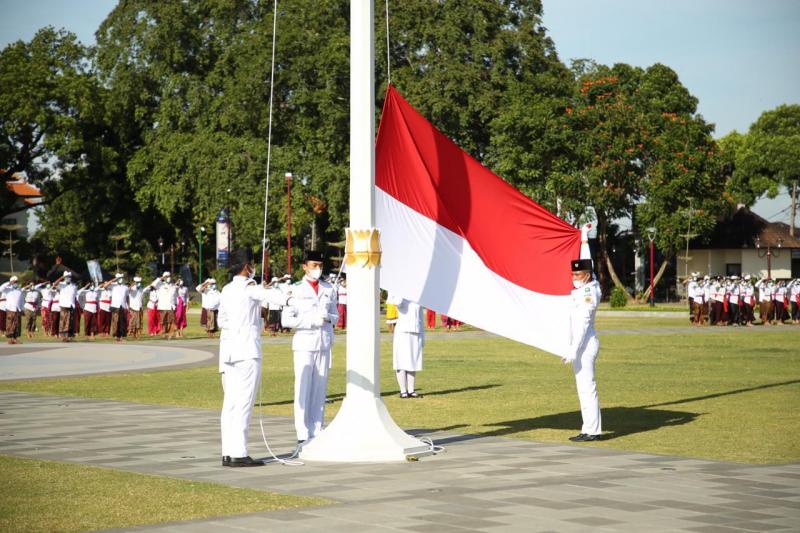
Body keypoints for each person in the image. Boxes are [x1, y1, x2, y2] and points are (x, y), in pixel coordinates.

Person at [218, 247, 290, 467]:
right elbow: (269, 296)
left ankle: (228, 452)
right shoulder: (249, 287)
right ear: (247, 267)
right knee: (243, 403)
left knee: (230, 403)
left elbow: (221, 320)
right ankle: (239, 453)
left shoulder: (227, 289)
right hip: (247, 350)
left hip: (229, 351)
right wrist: (290, 298)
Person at [281, 250, 338, 448]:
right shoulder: (295, 289)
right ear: (304, 266)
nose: (317, 269)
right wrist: (312, 321)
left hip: (323, 342)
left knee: (320, 388)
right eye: (314, 265)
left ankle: (317, 428)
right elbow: (286, 320)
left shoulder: (329, 288)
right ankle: (302, 431)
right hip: (305, 343)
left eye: (320, 266)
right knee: (303, 387)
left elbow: (336, 315)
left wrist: (328, 317)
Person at [563, 258, 602, 442]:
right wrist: (584, 239)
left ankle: (593, 430)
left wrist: (573, 349)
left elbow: (584, 323)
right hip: (581, 344)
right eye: (573, 273)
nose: (574, 277)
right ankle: (588, 428)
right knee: (583, 388)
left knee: (587, 387)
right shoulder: (584, 288)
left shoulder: (589, 291)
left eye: (578, 274)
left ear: (587, 275)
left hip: (585, 344)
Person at [387, 293, 424, 398]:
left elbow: (421, 318)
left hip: (416, 332)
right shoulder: (398, 295)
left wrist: (423, 336)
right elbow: (397, 302)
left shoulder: (418, 297)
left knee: (413, 362)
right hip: (403, 331)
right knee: (401, 361)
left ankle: (411, 390)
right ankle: (403, 390)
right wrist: (401, 290)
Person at [151, 272, 178, 340]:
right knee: (163, 322)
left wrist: (175, 305)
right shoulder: (160, 285)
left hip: (171, 306)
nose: (168, 278)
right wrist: (161, 278)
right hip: (162, 306)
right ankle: (164, 333)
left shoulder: (173, 286)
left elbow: (175, 296)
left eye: (169, 276)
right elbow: (153, 284)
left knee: (172, 322)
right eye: (166, 276)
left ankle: (170, 334)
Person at [105, 273, 129, 342]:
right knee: (116, 321)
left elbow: (127, 297)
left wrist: (128, 306)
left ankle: (122, 336)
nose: (120, 279)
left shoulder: (125, 287)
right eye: (119, 278)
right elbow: (105, 286)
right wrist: (114, 280)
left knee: (123, 322)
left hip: (123, 306)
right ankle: (116, 336)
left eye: (121, 278)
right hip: (115, 306)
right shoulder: (113, 286)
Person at [55, 271, 77, 342]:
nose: (68, 278)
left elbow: (74, 295)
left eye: (69, 277)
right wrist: (62, 277)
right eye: (67, 277)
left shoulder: (73, 285)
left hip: (71, 305)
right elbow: (55, 284)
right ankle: (63, 336)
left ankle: (69, 336)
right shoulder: (61, 285)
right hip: (64, 305)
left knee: (70, 321)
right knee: (63, 321)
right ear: (64, 277)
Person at [1, 276, 24, 344]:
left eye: (16, 281)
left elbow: (22, 299)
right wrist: (9, 283)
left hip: (18, 309)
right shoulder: (8, 289)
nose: (15, 283)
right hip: (10, 309)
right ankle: (11, 339)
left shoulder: (19, 289)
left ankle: (15, 338)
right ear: (11, 282)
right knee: (10, 324)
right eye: (14, 281)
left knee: (17, 324)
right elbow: (1, 288)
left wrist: (22, 308)